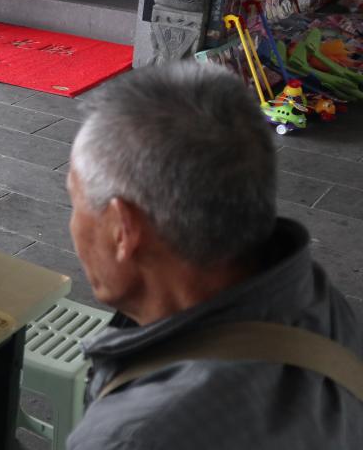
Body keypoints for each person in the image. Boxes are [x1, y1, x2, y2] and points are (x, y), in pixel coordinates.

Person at [64, 63, 363, 449]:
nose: (73, 223)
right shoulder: (319, 302)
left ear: (123, 231)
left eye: (75, 202)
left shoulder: (130, 437)